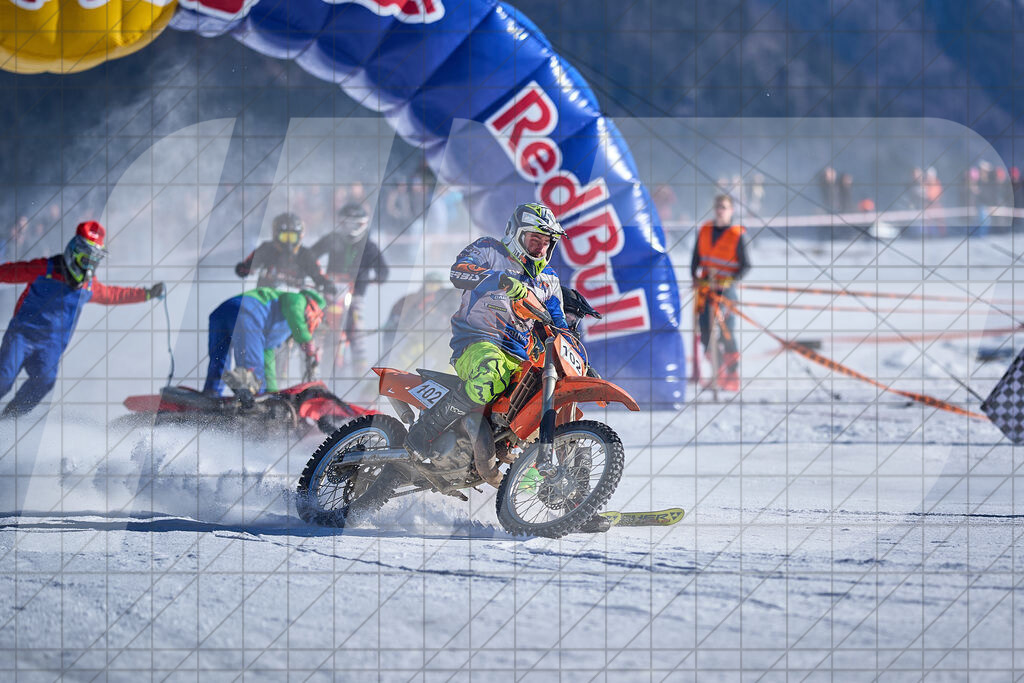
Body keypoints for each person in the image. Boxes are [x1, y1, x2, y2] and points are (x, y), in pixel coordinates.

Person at [404, 202, 570, 456]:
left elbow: (558, 325)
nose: (539, 246)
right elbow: (459, 271)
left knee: (542, 403)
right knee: (489, 375)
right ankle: (425, 431)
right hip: (477, 340)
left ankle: (527, 479)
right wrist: (500, 279)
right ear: (516, 234)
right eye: (534, 238)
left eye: (545, 241)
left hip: (519, 357)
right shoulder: (490, 250)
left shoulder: (548, 280)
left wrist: (575, 351)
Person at [0, 221, 164, 416]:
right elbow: (9, 272)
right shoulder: (46, 269)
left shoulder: (88, 286)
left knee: (44, 381)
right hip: (22, 336)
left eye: (94, 262)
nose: (90, 268)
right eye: (87, 261)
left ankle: (10, 420)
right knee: (4, 378)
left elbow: (113, 295)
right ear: (74, 253)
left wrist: (146, 294)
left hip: (51, 346)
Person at [203, 287, 326, 401]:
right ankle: (253, 404)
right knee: (254, 369)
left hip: (222, 312)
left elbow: (267, 356)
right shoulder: (298, 299)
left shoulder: (281, 327)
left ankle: (211, 396)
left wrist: (272, 394)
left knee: (219, 360)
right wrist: (307, 340)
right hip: (247, 312)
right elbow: (294, 311)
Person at [312, 203, 389, 374]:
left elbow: (383, 270)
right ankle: (313, 359)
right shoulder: (332, 239)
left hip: (355, 295)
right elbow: (310, 255)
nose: (350, 228)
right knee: (319, 323)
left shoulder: (369, 246)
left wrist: (377, 278)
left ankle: (359, 370)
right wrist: (310, 269)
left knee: (356, 328)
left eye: (355, 224)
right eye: (346, 223)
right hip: (330, 292)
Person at [691, 195, 751, 392]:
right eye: (718, 206)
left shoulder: (737, 234)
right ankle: (718, 373)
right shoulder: (705, 230)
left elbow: (745, 265)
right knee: (706, 334)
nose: (720, 210)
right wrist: (695, 277)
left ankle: (732, 375)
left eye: (724, 207)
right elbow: (696, 259)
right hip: (707, 291)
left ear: (731, 210)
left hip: (726, 293)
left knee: (727, 333)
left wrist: (730, 280)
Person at [235, 212, 335, 293]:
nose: (288, 242)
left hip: (294, 301)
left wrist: (326, 284)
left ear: (299, 237)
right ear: (276, 235)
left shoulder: (305, 255)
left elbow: (318, 275)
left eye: (292, 237)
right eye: (284, 237)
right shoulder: (266, 249)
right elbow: (247, 265)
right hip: (266, 296)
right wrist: (245, 268)